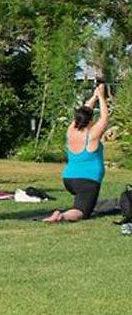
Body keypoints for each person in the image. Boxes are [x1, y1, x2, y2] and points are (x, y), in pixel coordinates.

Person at [44, 84, 109, 223]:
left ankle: (69, 209)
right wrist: (102, 98)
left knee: (81, 199)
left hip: (69, 179)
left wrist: (94, 96)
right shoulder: (92, 135)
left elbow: (84, 111)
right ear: (90, 121)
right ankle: (62, 216)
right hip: (87, 181)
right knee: (82, 212)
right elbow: (104, 118)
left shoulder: (71, 130)